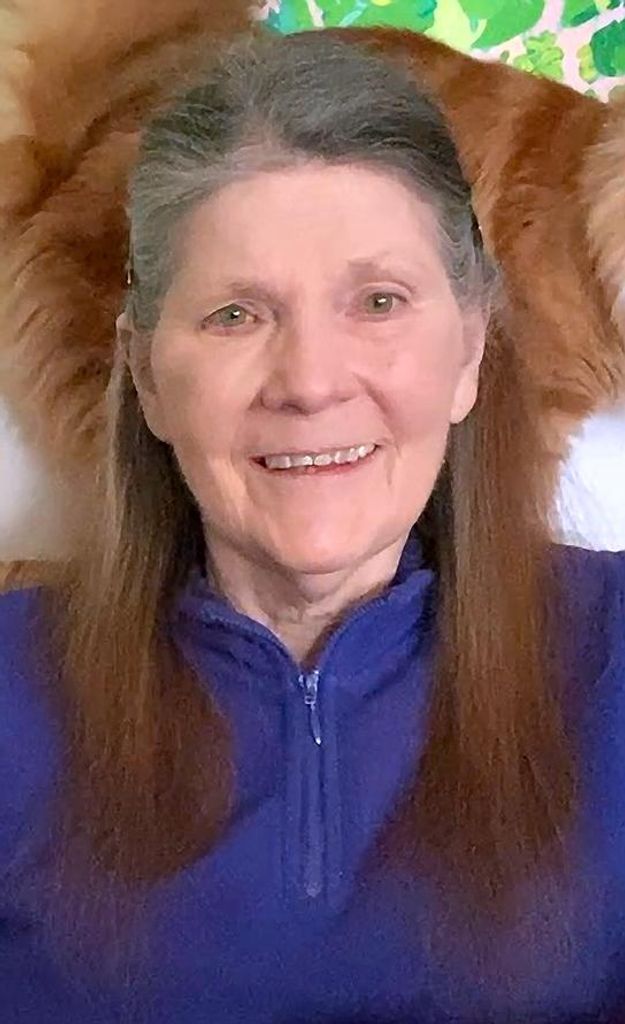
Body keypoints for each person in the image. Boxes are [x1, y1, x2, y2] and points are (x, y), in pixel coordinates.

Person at [0, 29, 623, 1024]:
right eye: (236, 315)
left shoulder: (609, 653)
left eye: (377, 301)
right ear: (147, 375)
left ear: (469, 351)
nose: (310, 382)